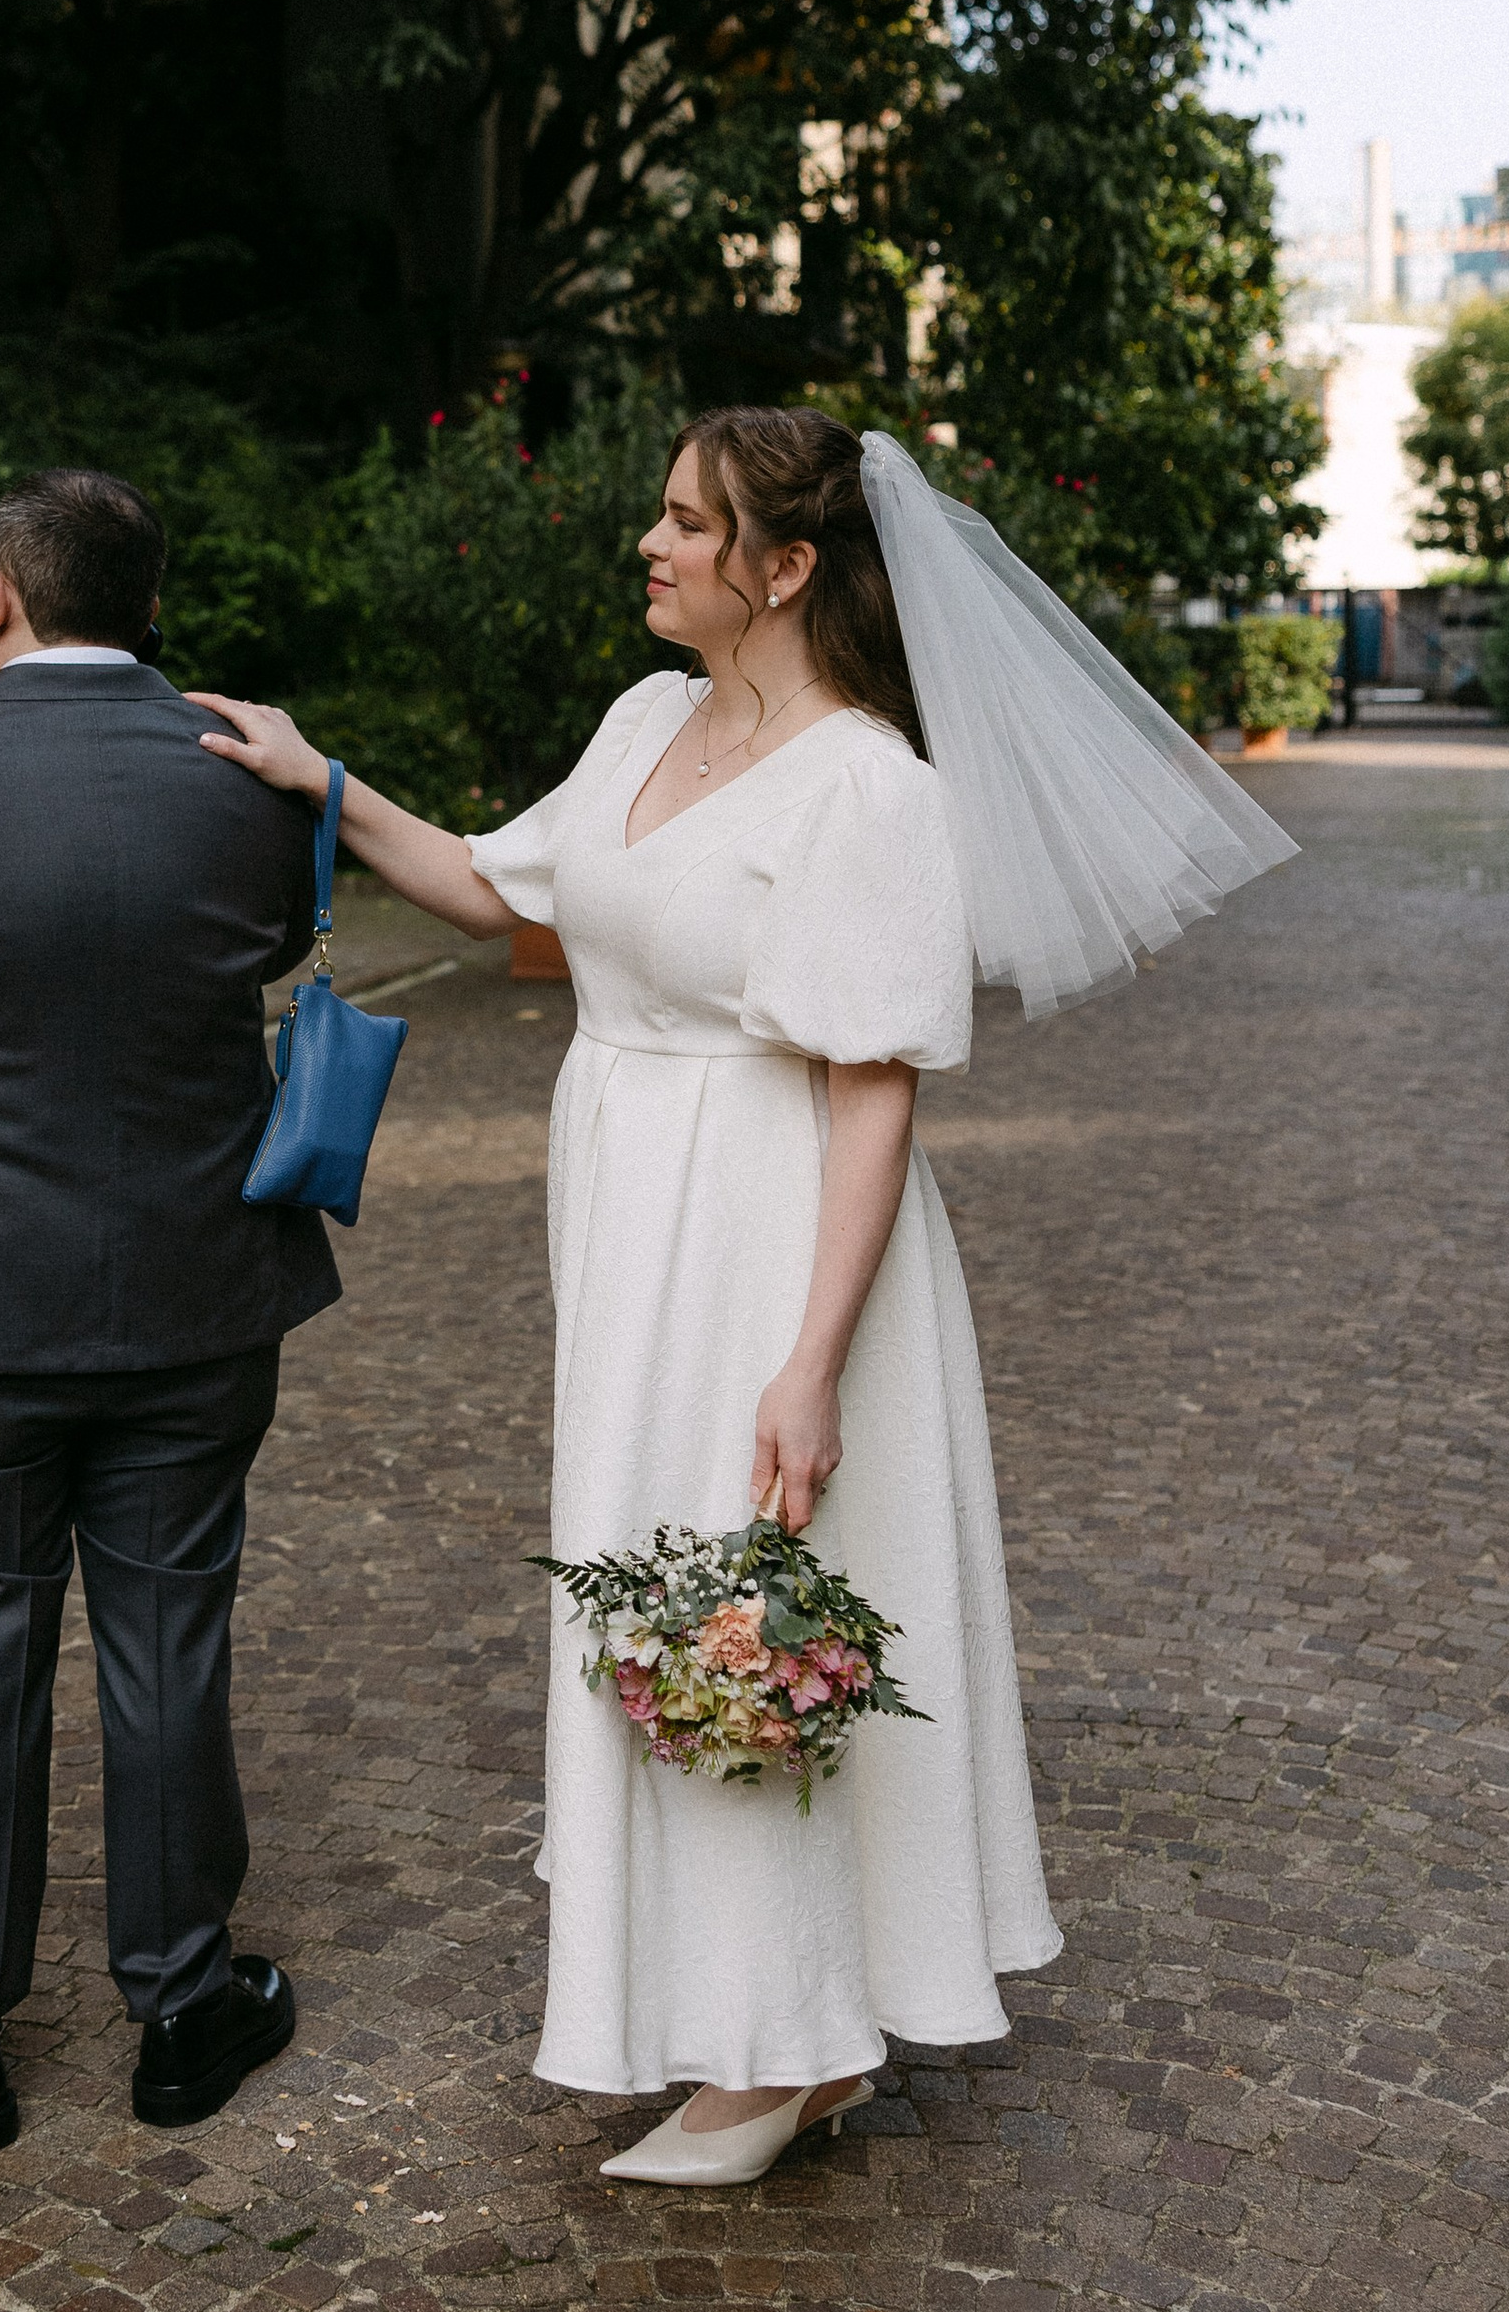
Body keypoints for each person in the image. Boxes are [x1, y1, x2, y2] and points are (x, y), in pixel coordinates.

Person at [196, 403, 1292, 2183]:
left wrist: (813, 1358)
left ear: (785, 567)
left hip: (773, 1226)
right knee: (664, 1576)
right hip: (635, 1212)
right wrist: (321, 778)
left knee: (744, 1594)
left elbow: (875, 1087)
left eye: (691, 523)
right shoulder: (646, 721)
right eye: (663, 514)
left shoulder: (872, 785)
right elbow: (498, 893)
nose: (653, 541)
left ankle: (774, 2050)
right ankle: (781, 2031)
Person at [0, 465, 336, 2157]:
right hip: (192, 1294)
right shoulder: (249, 782)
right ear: (150, 607)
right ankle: (182, 2009)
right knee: (171, 1635)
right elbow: (270, 941)